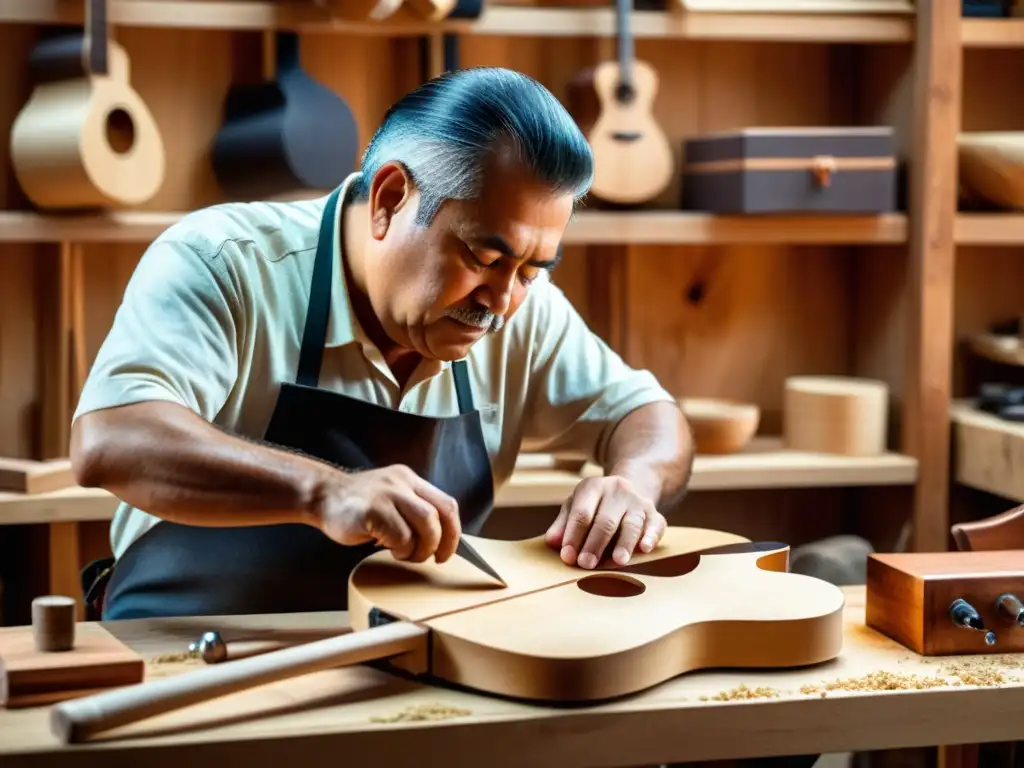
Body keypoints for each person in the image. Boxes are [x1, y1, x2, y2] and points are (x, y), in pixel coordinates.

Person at [71, 67, 694, 622]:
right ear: (391, 199)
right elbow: (112, 439)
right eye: (483, 255)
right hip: (185, 644)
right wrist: (324, 491)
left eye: (533, 270)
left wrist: (633, 484)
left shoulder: (520, 306)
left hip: (396, 656)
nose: (503, 300)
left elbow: (649, 415)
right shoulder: (224, 261)